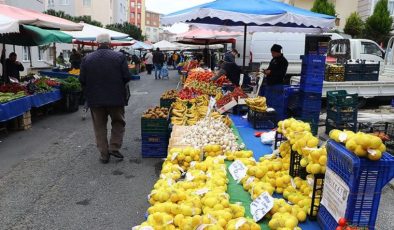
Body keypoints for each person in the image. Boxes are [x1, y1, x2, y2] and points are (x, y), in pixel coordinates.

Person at [79, 33, 130, 164]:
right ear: (110, 43)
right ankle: (114, 146)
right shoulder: (119, 57)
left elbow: (82, 80)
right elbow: (126, 77)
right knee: (118, 122)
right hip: (116, 98)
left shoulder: (87, 59)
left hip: (95, 99)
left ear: (97, 43)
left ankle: (104, 155)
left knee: (99, 127)